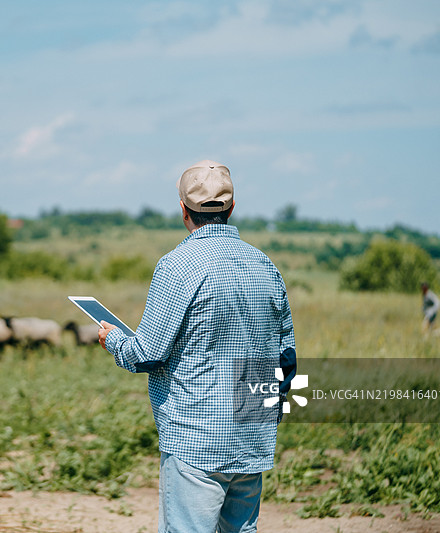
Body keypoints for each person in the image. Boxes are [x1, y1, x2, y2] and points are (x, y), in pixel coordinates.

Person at [98, 160, 296, 533]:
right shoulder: (266, 265)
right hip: (252, 437)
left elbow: (147, 353)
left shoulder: (177, 265)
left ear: (183, 211)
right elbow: (286, 358)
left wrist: (114, 341)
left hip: (196, 439)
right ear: (232, 208)